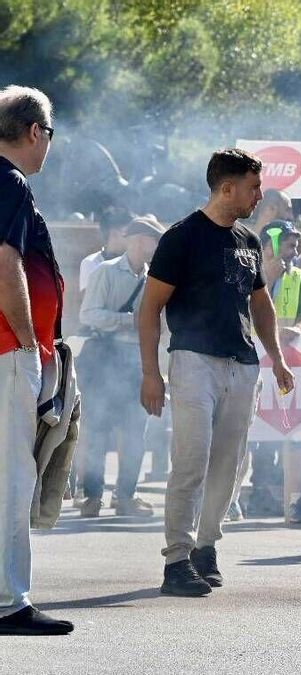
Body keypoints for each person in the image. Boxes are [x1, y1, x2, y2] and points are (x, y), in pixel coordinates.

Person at [139, 148, 295, 597]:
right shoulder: (182, 237)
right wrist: (151, 373)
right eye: (253, 187)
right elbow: (150, 309)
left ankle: (206, 549)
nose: (259, 196)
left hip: (243, 364)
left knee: (230, 465)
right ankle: (176, 560)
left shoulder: (247, 240)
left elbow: (260, 304)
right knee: (191, 460)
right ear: (227, 187)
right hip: (193, 361)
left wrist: (277, 358)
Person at [0, 84, 74, 636]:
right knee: (12, 478)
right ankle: (8, 601)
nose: (48, 144)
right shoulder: (11, 182)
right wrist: (29, 342)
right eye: (48, 134)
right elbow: (7, 264)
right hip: (7, 352)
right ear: (33, 131)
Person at [234, 220, 301, 524]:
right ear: (269, 245)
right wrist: (265, 279)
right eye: (289, 244)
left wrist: (297, 329)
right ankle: (232, 498)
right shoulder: (245, 273)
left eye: (296, 245)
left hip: (287, 363)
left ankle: (295, 500)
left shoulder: (299, 277)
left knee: (294, 432)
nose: (294, 251)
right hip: (250, 361)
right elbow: (237, 309)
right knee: (244, 434)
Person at [76, 216, 165, 518]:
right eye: (153, 240)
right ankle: (92, 496)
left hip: (135, 361)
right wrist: (129, 321)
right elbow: (89, 315)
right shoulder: (106, 272)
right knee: (97, 428)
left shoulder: (154, 278)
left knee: (134, 432)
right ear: (141, 240)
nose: (155, 246)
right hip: (104, 358)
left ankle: (125, 495)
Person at [78, 206, 132, 294]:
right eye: (129, 232)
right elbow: (89, 301)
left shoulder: (135, 262)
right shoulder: (91, 263)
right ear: (114, 234)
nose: (133, 238)